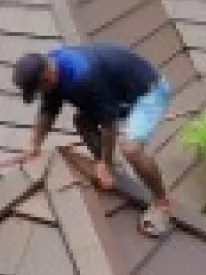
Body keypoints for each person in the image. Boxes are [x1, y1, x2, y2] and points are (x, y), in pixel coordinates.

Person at [13, 43, 174, 235]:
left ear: (47, 77)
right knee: (82, 121)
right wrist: (34, 144)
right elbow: (49, 110)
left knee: (131, 148)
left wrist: (105, 163)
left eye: (40, 90)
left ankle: (162, 203)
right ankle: (112, 167)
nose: (41, 94)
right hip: (120, 92)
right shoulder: (52, 69)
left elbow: (109, 124)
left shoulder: (83, 76)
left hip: (149, 93)